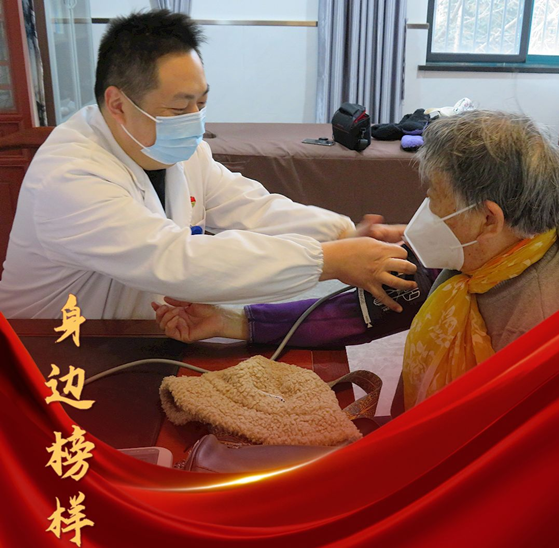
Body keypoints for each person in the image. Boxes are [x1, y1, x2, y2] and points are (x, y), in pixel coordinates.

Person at [0, 9, 417, 321]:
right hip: (55, 345)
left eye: (201, 102)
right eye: (179, 107)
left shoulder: (175, 149)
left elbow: (249, 205)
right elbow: (175, 260)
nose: (194, 119)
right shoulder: (70, 174)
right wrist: (328, 260)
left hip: (131, 333)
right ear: (117, 103)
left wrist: (342, 232)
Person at [153, 111, 559, 414]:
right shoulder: (479, 254)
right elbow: (366, 310)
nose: (424, 212)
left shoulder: (534, 332)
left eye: (436, 197)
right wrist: (232, 321)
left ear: (489, 219)